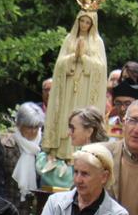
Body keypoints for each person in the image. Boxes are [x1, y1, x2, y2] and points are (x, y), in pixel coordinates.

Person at [43, 9, 107, 161]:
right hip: (68, 85)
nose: (84, 25)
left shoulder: (97, 42)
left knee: (82, 117)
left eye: (87, 22)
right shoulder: (69, 39)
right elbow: (59, 64)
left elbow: (101, 67)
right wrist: (73, 57)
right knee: (65, 115)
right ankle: (61, 152)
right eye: (82, 21)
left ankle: (80, 152)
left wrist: (84, 58)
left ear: (92, 24)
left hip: (86, 87)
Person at [9, 103, 46, 201]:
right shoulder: (7, 144)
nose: (33, 131)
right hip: (10, 204)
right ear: (19, 125)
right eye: (29, 127)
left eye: (36, 127)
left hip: (36, 206)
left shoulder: (45, 147)